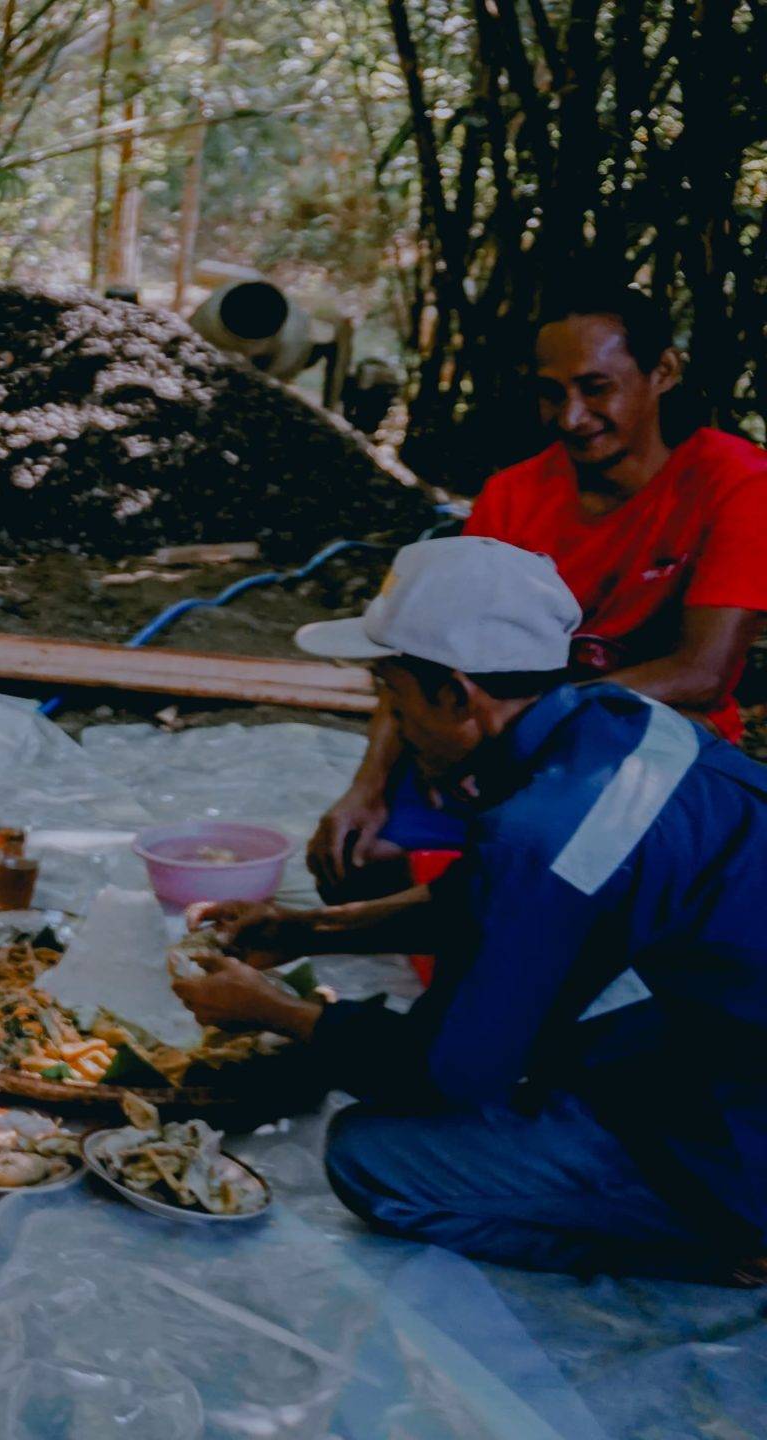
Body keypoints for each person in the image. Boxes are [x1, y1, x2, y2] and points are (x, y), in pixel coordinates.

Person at [173, 535, 767, 1285]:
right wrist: (305, 929)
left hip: (746, 1095)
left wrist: (277, 1012)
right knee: (556, 1060)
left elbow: (446, 1073)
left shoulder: (548, 832)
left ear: (456, 695)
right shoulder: (607, 719)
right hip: (732, 1026)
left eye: (392, 696)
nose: (391, 720)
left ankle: (724, 1238)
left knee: (372, 1156)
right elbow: (488, 897)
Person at [311, 283, 767, 899]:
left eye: (596, 387)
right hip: (508, 739)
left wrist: (524, 724)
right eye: (552, 393)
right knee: (355, 860)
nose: (571, 417)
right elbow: (423, 658)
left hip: (646, 739)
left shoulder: (735, 482)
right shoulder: (512, 494)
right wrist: (365, 789)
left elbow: (702, 674)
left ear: (663, 372)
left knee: (540, 883)